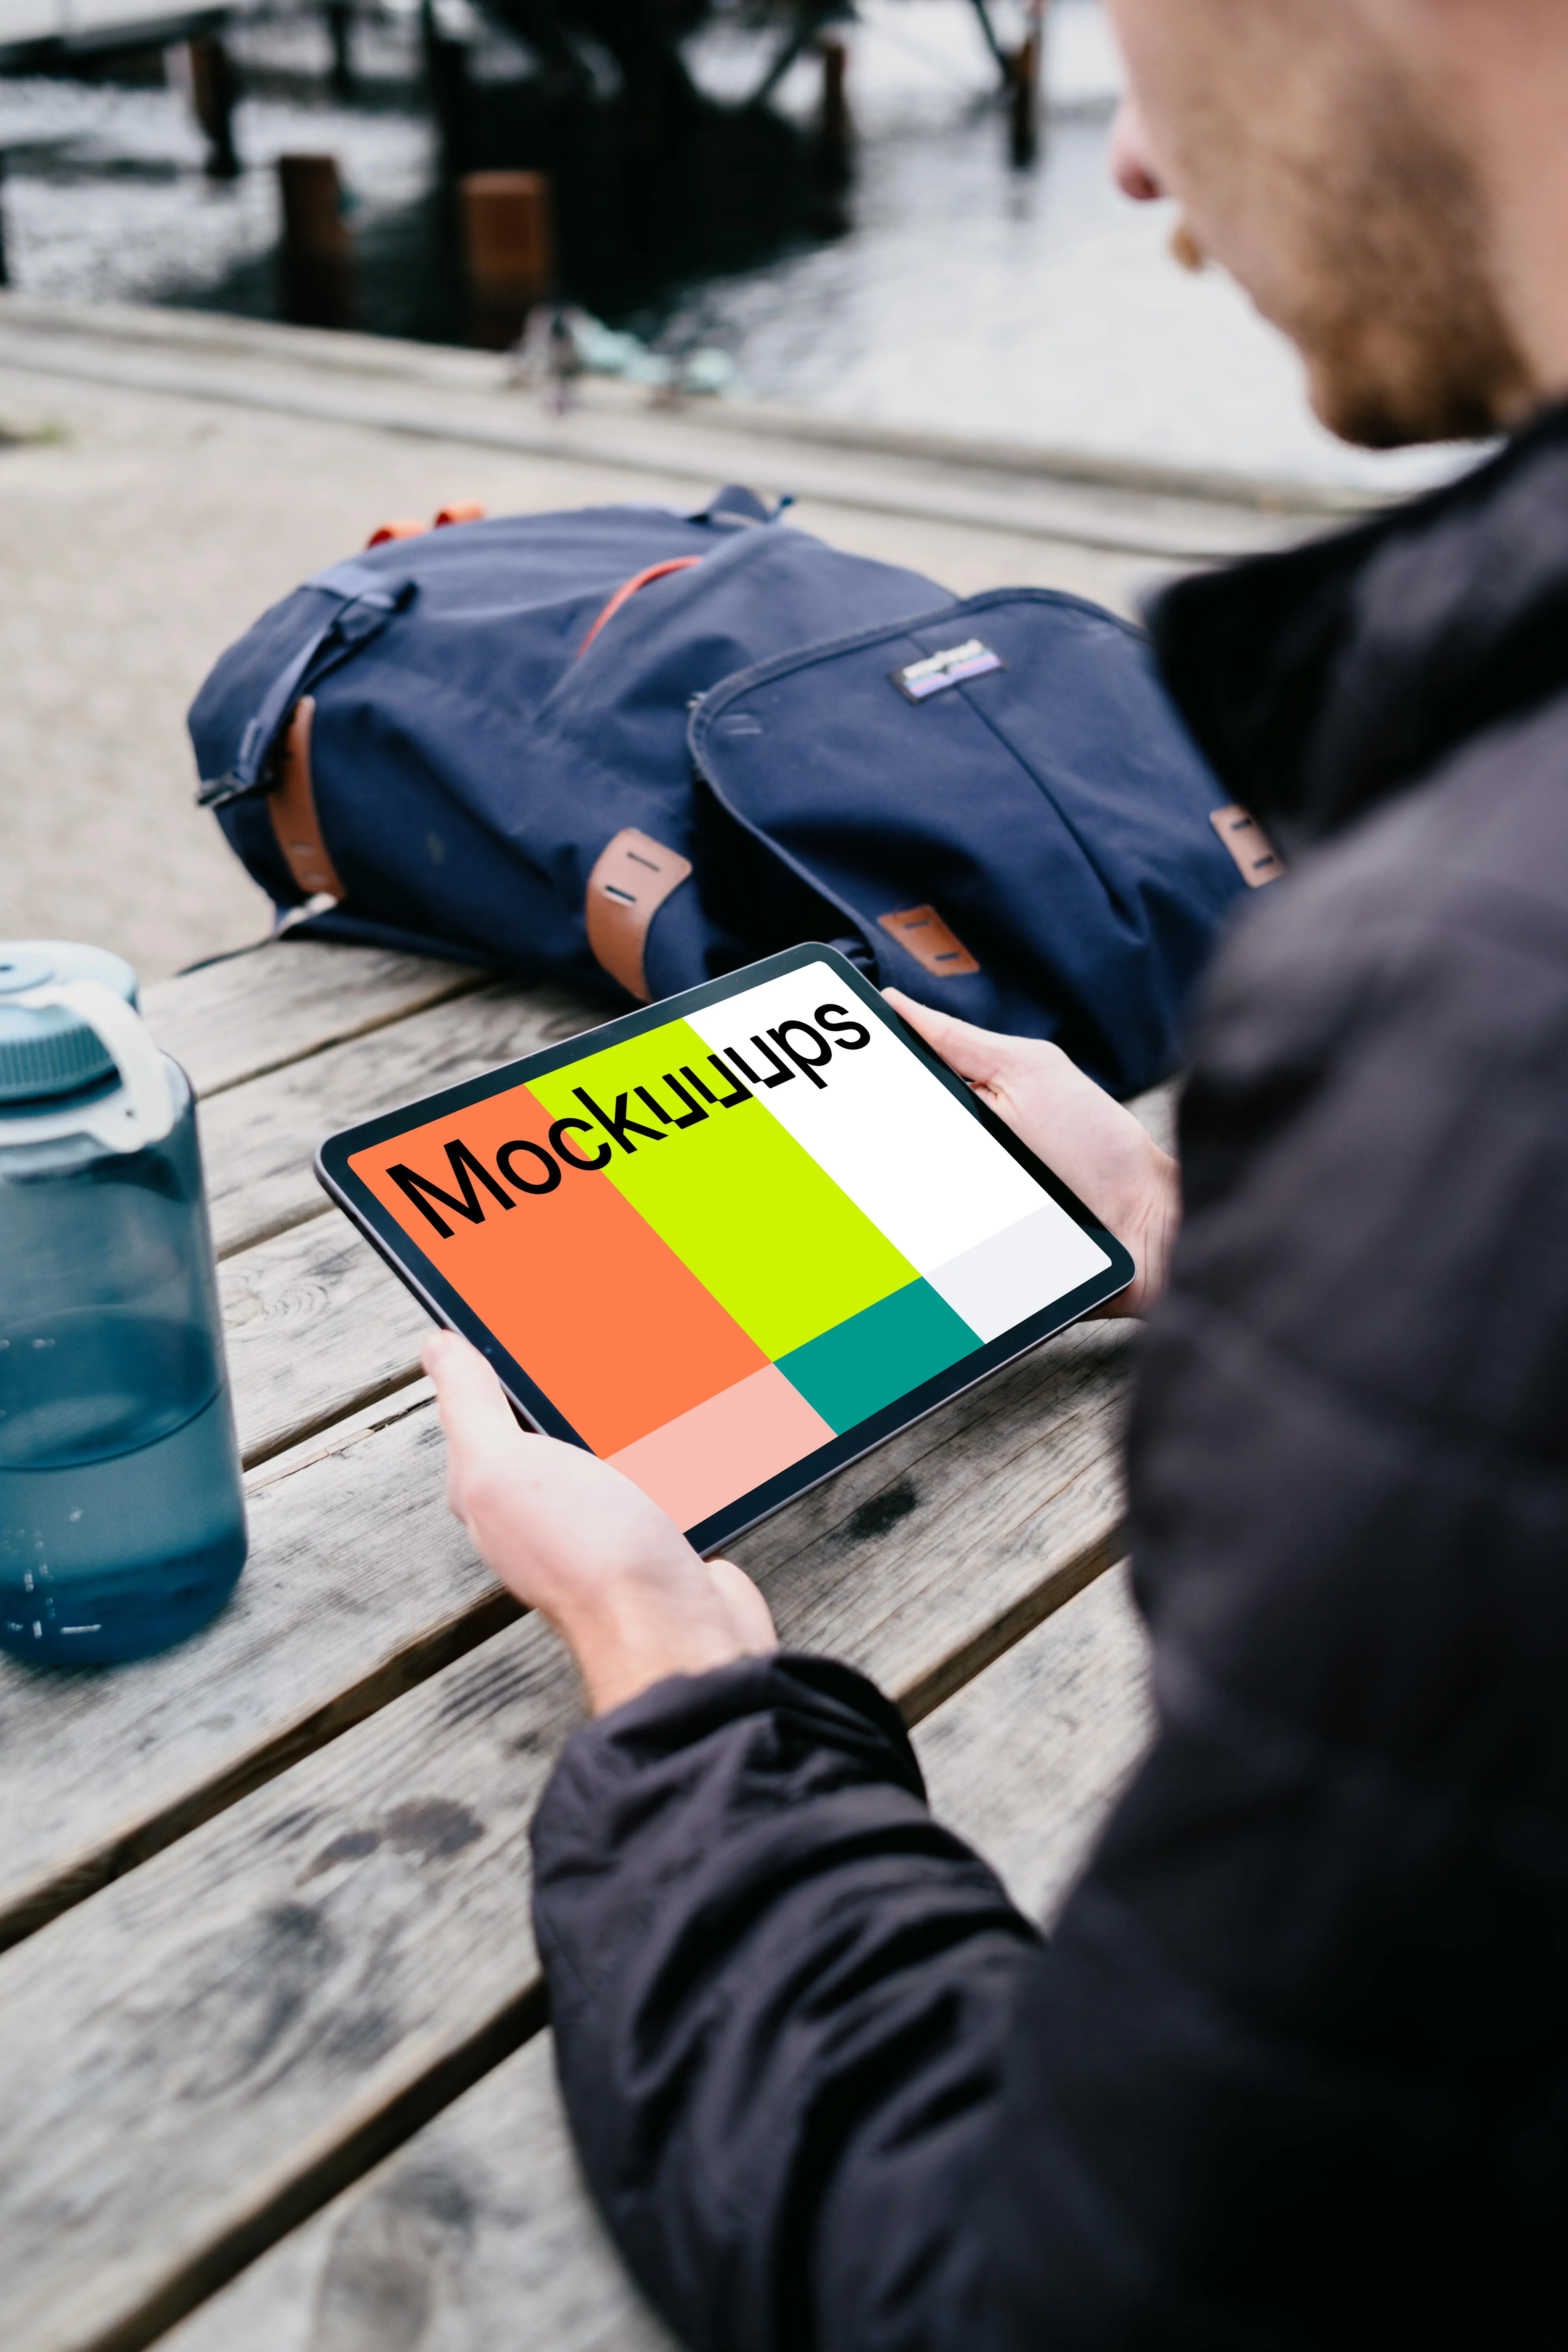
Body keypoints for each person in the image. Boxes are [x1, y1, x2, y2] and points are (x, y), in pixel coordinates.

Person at [423, 0, 1568, 2337]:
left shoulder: (1487, 998)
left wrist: (676, 1688)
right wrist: (1242, 1241)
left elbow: (1052, 2294)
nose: (1131, 158)